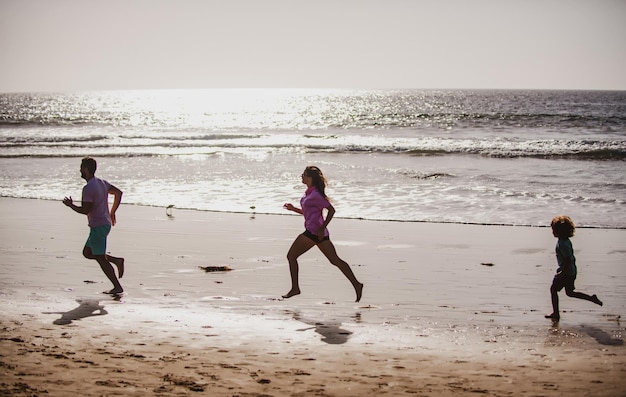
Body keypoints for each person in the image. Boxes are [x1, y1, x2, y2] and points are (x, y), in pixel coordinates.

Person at [282, 166, 363, 302]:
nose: (301, 176)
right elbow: (307, 213)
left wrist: (321, 228)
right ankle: (357, 284)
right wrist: (293, 209)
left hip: (314, 232)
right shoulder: (309, 193)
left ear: (310, 178)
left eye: (303, 174)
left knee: (291, 256)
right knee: (334, 260)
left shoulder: (315, 195)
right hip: (319, 233)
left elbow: (331, 210)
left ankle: (295, 288)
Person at [63, 157, 125, 295]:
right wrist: (112, 212)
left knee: (101, 259)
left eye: (81, 168)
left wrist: (70, 205)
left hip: (98, 226)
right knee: (88, 253)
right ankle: (116, 260)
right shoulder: (101, 183)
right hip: (104, 224)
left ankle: (117, 286)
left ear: (85, 169)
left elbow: (85, 210)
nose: (80, 170)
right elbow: (119, 193)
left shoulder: (88, 188)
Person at [545, 215, 602, 321]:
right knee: (570, 293)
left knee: (553, 289)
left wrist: (562, 272)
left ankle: (556, 313)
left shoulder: (562, 244)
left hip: (566, 272)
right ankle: (591, 298)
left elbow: (567, 260)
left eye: (553, 229)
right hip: (571, 271)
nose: (552, 232)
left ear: (559, 231)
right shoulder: (565, 241)